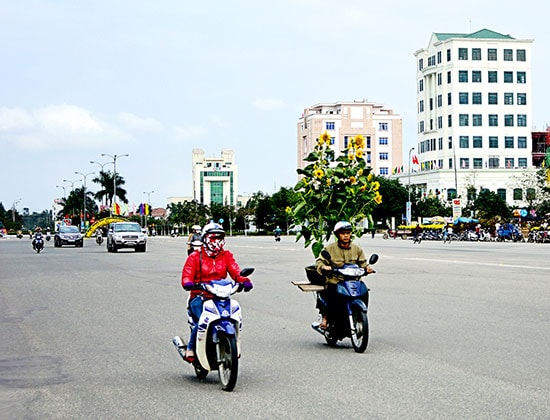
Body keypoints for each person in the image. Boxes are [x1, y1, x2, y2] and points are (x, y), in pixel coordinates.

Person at [180, 222, 253, 361]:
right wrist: (190, 283)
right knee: (202, 319)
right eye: (213, 238)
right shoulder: (195, 257)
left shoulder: (226, 255)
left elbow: (235, 271)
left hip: (220, 296)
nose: (216, 241)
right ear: (205, 239)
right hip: (199, 296)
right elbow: (187, 276)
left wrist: (244, 281)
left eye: (220, 237)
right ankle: (190, 347)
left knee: (233, 314)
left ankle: (233, 346)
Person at [315, 221, 373, 330]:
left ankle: (360, 316)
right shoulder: (330, 249)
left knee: (364, 292)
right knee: (332, 295)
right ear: (337, 235)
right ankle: (326, 318)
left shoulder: (357, 249)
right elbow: (319, 262)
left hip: (353, 281)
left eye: (348, 233)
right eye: (343, 233)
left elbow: (363, 263)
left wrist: (367, 268)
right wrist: (324, 267)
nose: (346, 235)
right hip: (336, 281)